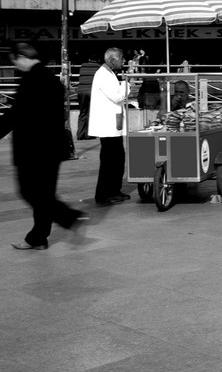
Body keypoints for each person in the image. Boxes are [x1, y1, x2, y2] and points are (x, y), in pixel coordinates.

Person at [0, 43, 87, 250]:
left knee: (30, 192)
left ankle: (70, 217)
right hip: (53, 148)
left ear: (22, 57)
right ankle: (38, 237)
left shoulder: (30, 79)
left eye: (15, 61)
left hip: (33, 149)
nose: (16, 65)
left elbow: (15, 115)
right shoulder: (52, 80)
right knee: (45, 194)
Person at [89, 47, 131, 204]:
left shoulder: (110, 73)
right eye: (121, 58)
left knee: (118, 159)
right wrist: (127, 84)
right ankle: (103, 194)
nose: (123, 61)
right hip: (107, 126)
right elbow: (117, 96)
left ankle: (114, 190)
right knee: (108, 161)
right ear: (112, 59)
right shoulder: (103, 75)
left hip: (114, 125)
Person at [76, 56, 101, 139]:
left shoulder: (83, 66)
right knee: (90, 113)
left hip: (81, 91)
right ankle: (88, 134)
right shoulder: (98, 67)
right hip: (91, 91)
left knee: (82, 112)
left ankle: (80, 135)